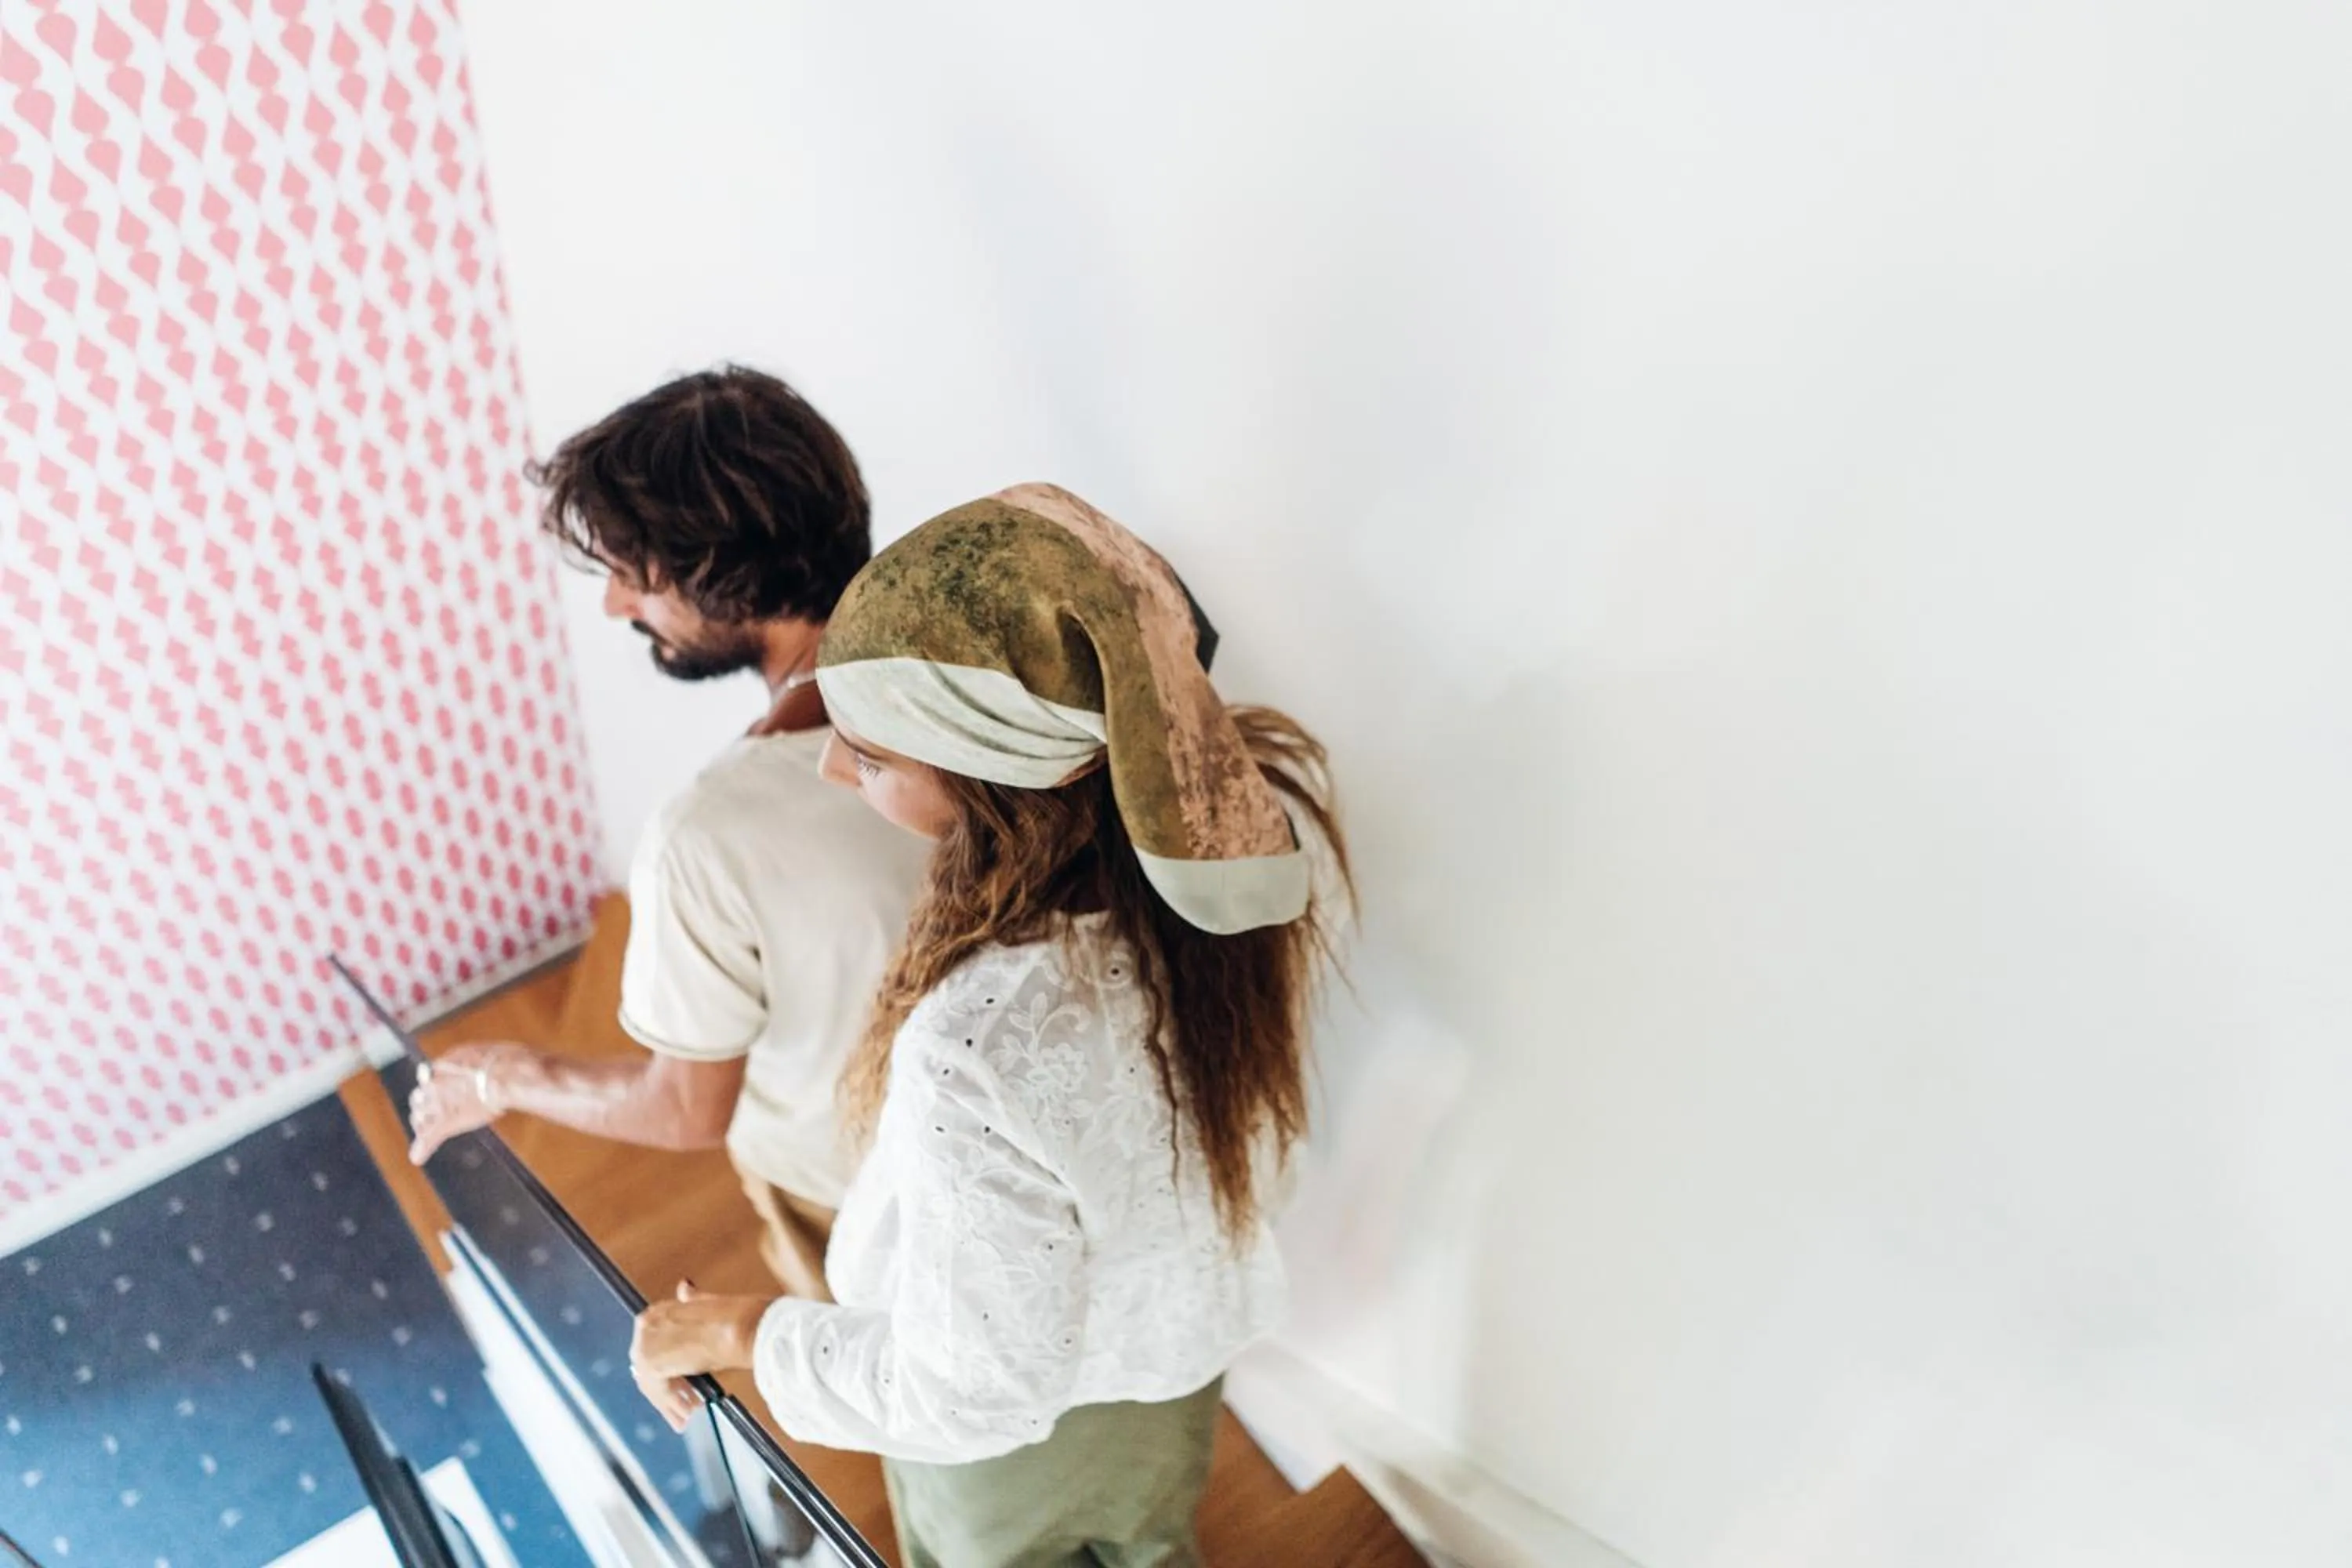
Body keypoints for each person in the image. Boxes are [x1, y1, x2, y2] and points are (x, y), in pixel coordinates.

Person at [626, 483, 1351, 1567]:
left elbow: (965, 1393)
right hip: (1176, 1360)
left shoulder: (974, 1051)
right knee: (1154, 1541)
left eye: (869, 756)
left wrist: (738, 1331)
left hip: (1019, 1456)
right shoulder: (1248, 824)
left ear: (1014, 776)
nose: (829, 764)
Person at [405, 367, 932, 1300]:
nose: (616, 606)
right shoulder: (978, 669)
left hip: (873, 1200)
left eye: (629, 573)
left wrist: (514, 1077)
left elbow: (689, 1108)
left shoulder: (707, 835)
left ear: (719, 577)